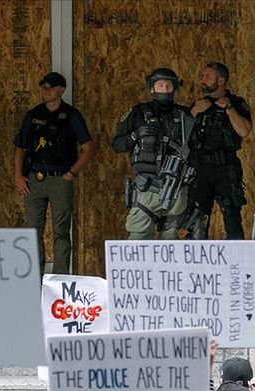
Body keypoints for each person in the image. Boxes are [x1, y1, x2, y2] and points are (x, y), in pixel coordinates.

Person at [13, 72, 94, 274]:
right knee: (33, 233)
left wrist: (72, 173)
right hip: (34, 179)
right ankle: (35, 278)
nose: (46, 91)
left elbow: (88, 147)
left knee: (61, 233)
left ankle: (60, 278)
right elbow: (20, 147)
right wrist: (18, 175)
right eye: (44, 87)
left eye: (50, 87)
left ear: (62, 90)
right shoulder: (34, 114)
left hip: (60, 179)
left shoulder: (71, 115)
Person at [112, 68, 195, 240]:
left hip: (176, 187)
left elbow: (196, 148)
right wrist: (136, 134)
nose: (164, 89)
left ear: (174, 89)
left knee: (170, 238)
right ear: (151, 88)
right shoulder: (139, 113)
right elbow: (117, 145)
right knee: (139, 236)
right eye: (160, 85)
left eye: (168, 85)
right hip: (148, 187)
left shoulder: (184, 116)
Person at [188, 62, 252, 239]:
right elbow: (182, 134)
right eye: (203, 76)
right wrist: (193, 112)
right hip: (201, 167)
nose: (203, 80)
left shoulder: (236, 103)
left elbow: (244, 131)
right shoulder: (198, 104)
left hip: (226, 167)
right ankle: (196, 263)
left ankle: (238, 264)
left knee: (232, 217)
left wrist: (229, 108)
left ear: (221, 80)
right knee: (198, 220)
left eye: (207, 76)